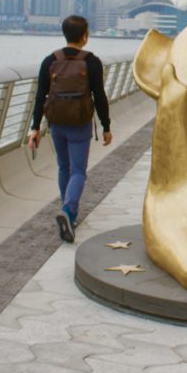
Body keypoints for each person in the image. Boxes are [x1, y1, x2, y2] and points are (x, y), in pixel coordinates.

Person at [29, 15, 113, 243]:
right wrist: (106, 125)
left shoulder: (50, 61)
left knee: (64, 168)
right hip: (80, 122)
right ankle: (68, 211)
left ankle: (68, 213)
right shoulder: (91, 61)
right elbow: (99, 96)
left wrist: (34, 127)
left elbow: (40, 96)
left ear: (65, 34)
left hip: (56, 121)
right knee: (78, 171)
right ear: (84, 36)